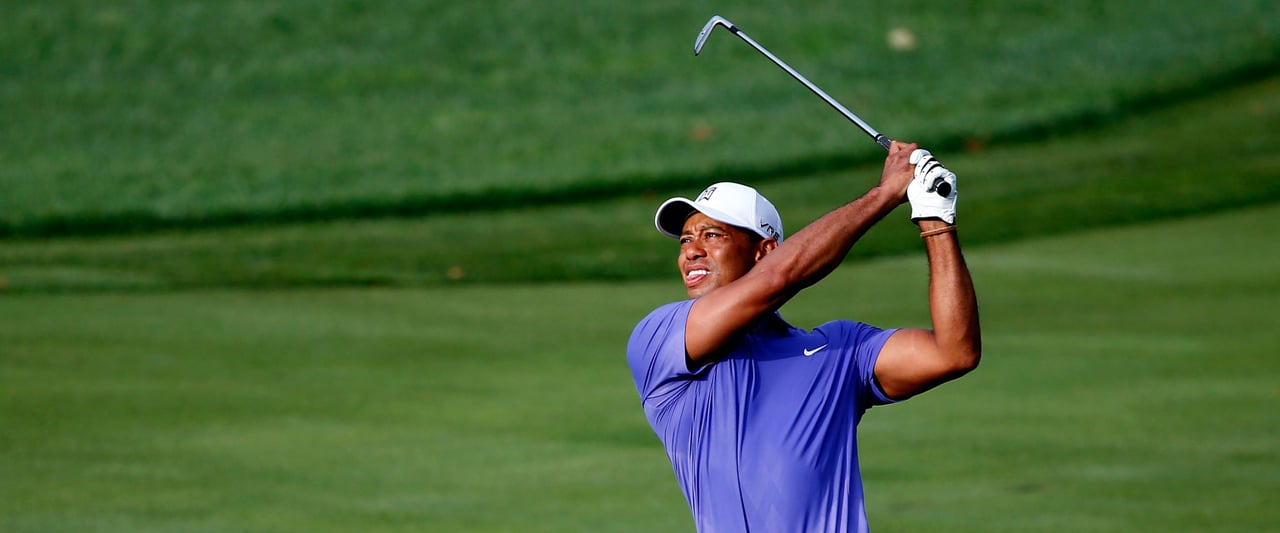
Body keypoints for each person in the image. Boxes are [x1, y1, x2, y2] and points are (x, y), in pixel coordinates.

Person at [626, 141, 981, 533]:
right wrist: (883, 195)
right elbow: (777, 280)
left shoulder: (840, 351)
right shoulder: (660, 339)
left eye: (712, 235)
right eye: (685, 240)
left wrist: (936, 219)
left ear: (764, 251)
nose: (692, 251)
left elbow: (955, 353)